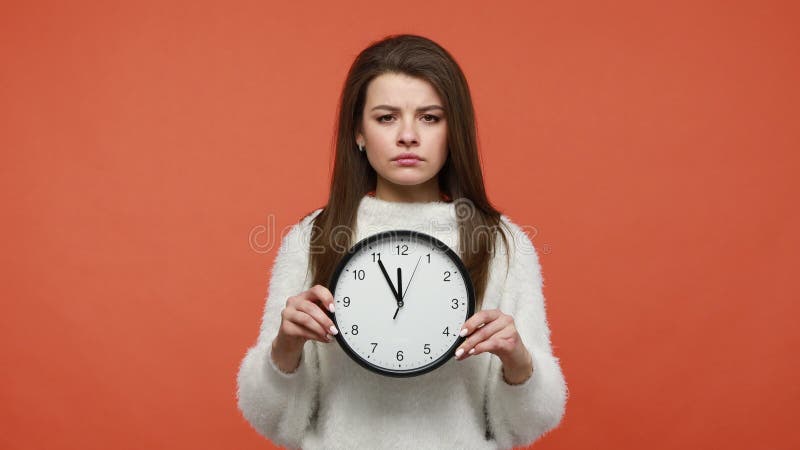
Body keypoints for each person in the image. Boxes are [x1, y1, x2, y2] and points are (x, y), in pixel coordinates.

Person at [236, 34, 568, 449]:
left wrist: (518, 360)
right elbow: (270, 417)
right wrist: (284, 349)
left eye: (429, 117)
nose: (408, 135)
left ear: (454, 131)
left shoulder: (503, 244)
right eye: (386, 117)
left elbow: (527, 423)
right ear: (358, 132)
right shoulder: (313, 238)